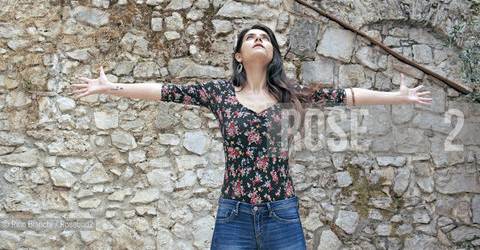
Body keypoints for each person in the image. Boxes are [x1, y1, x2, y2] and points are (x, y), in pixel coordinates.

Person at [71, 24, 432, 249]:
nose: (258, 40)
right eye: (251, 38)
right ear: (239, 55)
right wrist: (111, 88)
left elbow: (347, 97)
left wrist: (397, 96)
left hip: (282, 212)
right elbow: (164, 90)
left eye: (265, 38)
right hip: (234, 214)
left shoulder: (291, 94)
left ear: (271, 52)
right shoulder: (219, 93)